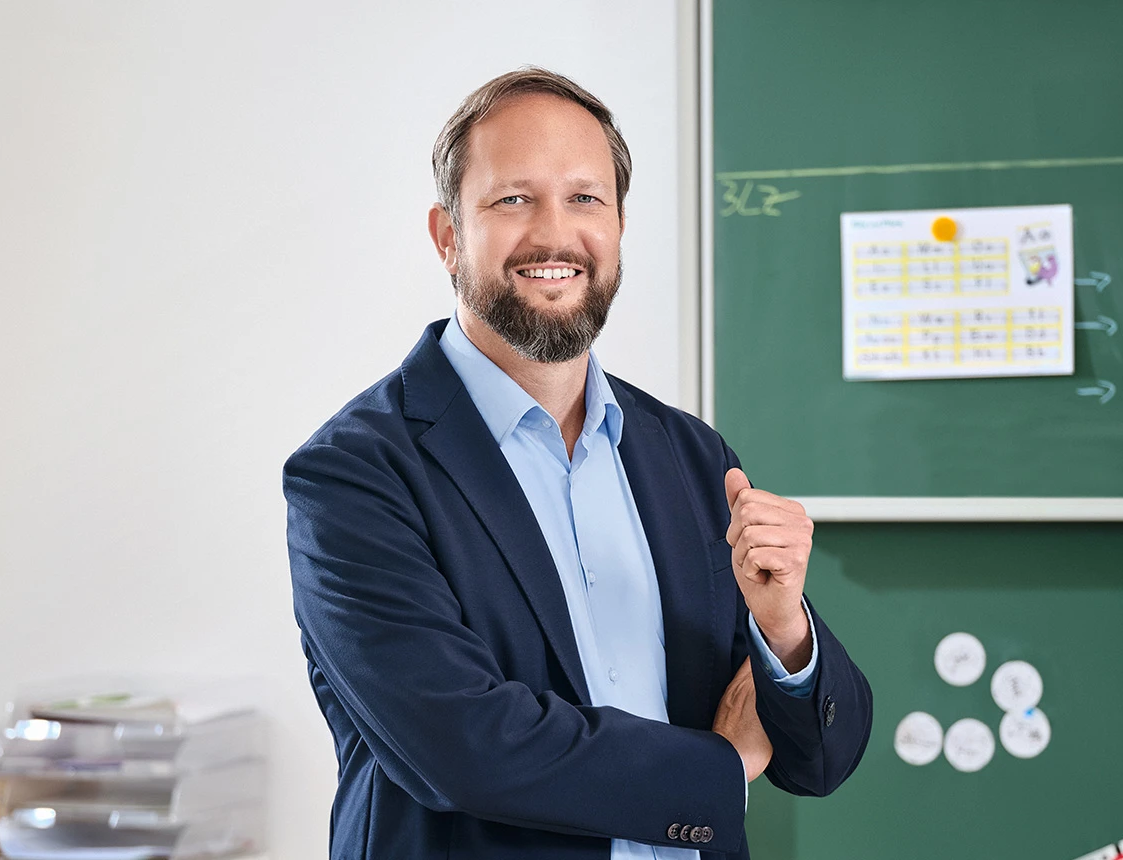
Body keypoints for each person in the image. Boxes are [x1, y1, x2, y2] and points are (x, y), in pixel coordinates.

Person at [284, 67, 871, 860]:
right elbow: (465, 746)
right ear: (448, 236)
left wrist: (784, 630)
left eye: (585, 198)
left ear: (620, 226)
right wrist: (722, 766)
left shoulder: (692, 456)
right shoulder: (354, 476)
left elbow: (822, 758)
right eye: (512, 199)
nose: (555, 235)